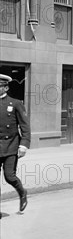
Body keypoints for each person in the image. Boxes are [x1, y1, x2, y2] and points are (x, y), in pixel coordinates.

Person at [0, 74, 31, 214]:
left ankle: (22, 192)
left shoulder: (16, 103)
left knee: (9, 176)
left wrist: (24, 144)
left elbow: (25, 126)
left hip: (11, 145)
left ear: (5, 87)